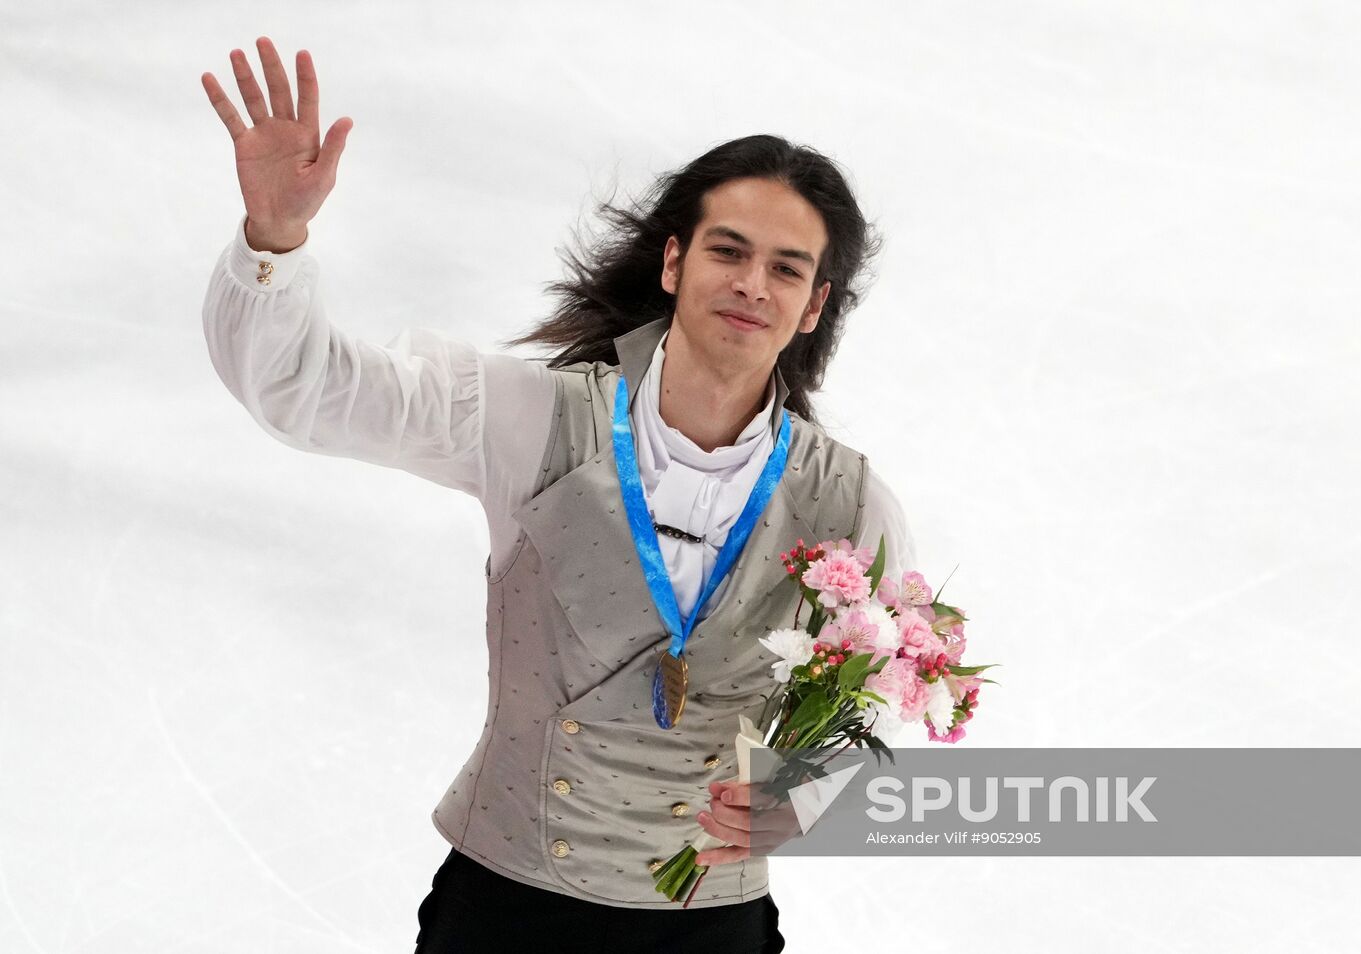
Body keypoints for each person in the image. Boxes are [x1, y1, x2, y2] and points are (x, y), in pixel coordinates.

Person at [200, 36, 916, 954]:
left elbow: (882, 693)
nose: (750, 283)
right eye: (728, 251)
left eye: (786, 268)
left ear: (815, 306)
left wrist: (806, 794)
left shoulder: (848, 502)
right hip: (509, 911)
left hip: (714, 926)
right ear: (672, 264)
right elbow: (304, 391)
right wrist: (274, 239)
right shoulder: (524, 417)